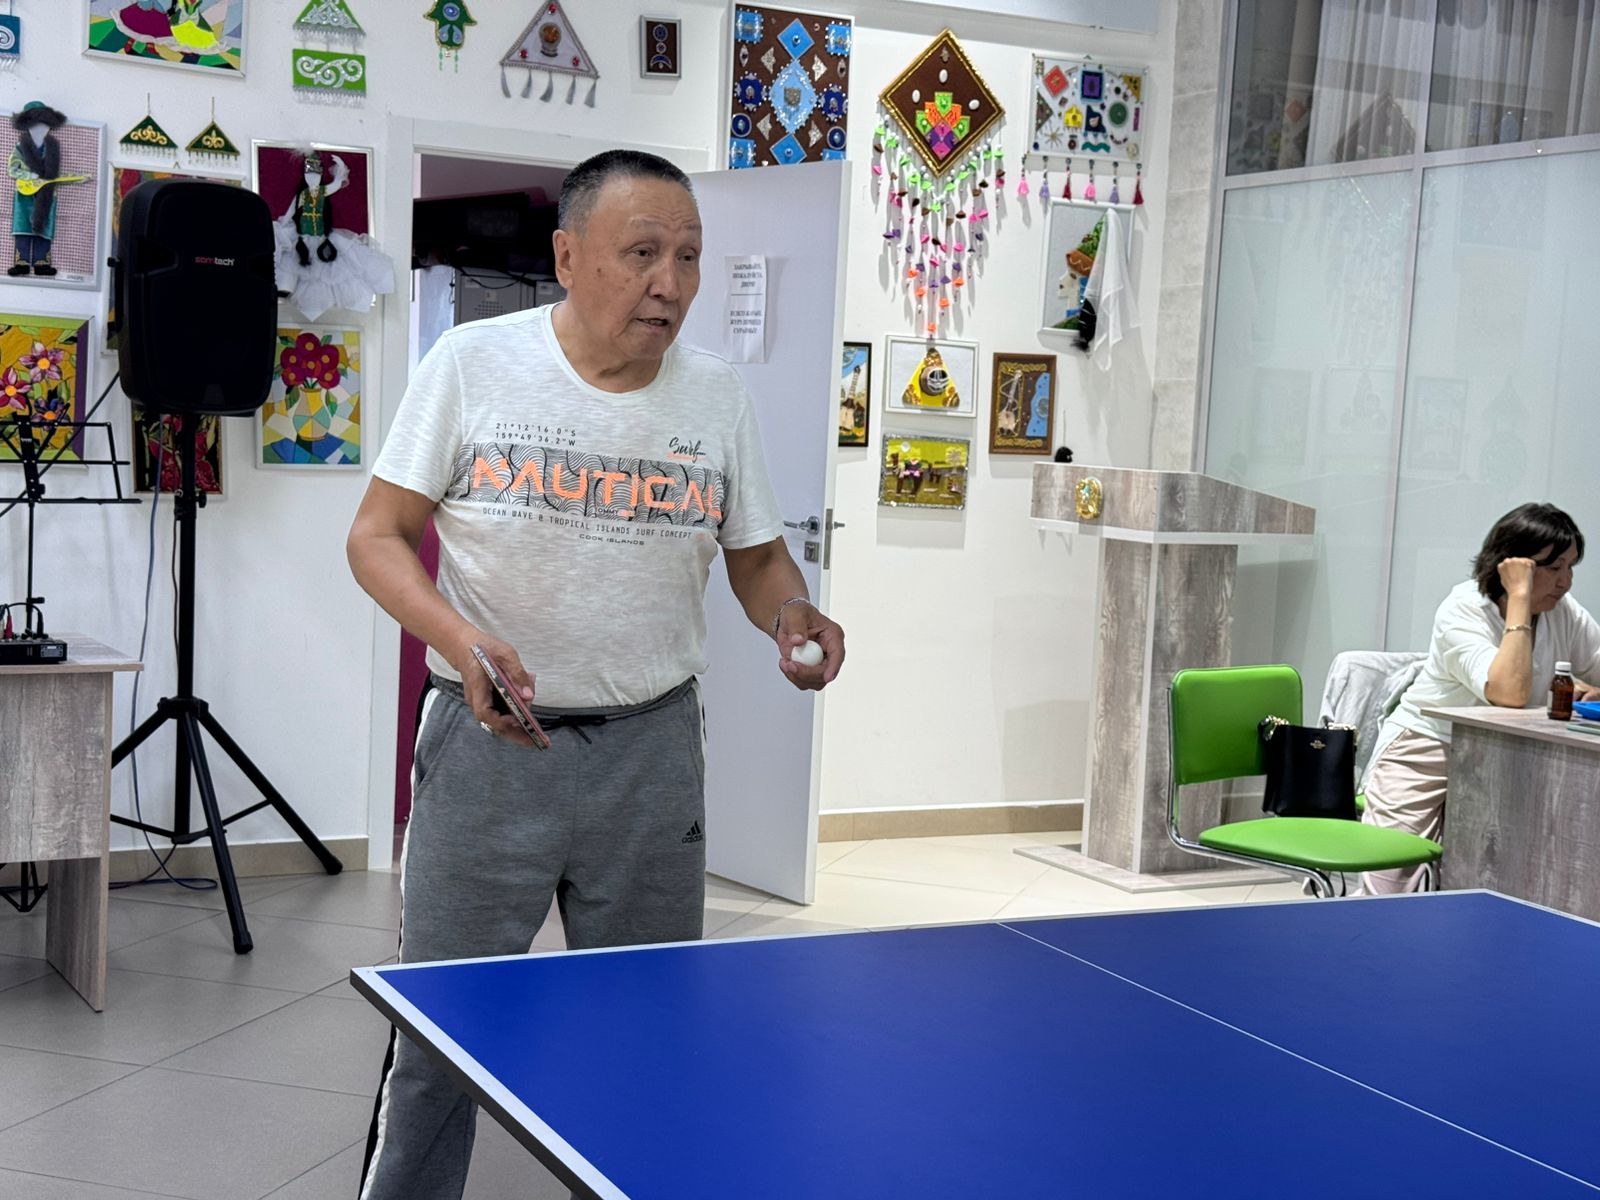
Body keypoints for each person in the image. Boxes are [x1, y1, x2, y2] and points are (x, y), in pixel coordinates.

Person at [346, 149, 844, 1200]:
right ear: (568, 258)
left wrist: (789, 611)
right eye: (643, 253)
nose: (671, 283)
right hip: (488, 749)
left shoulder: (717, 396)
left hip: (650, 756)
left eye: (689, 257)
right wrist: (462, 639)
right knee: (440, 1036)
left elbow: (756, 557)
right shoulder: (471, 364)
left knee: (648, 1032)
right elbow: (377, 536)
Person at [1359, 503, 1600, 894]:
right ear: (1513, 566)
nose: (1566, 582)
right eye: (1554, 567)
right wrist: (1519, 596)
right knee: (1388, 881)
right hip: (1429, 748)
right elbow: (1508, 693)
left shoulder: (1564, 613)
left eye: (1571, 567)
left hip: (1510, 754)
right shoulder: (1464, 608)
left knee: (1505, 872)